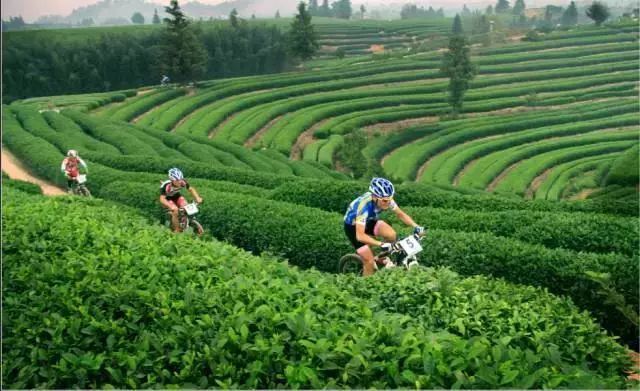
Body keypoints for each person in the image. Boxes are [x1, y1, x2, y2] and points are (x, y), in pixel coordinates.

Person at [343, 177, 425, 276]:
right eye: (385, 201)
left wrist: (416, 226)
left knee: (391, 235)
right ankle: (366, 284)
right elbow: (360, 236)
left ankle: (379, 259)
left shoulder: (386, 199)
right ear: (374, 197)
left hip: (368, 221)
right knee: (369, 262)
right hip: (353, 227)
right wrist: (381, 244)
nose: (388, 203)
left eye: (390, 199)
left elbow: (400, 214)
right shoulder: (363, 207)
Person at [159, 168, 203, 232]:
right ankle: (177, 229)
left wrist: (197, 198)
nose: (179, 181)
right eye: (177, 180)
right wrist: (170, 206)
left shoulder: (183, 182)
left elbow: (191, 189)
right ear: (172, 180)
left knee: (185, 206)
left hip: (177, 196)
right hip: (167, 198)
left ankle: (185, 221)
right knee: (175, 210)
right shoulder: (166, 186)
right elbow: (162, 199)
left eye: (180, 179)